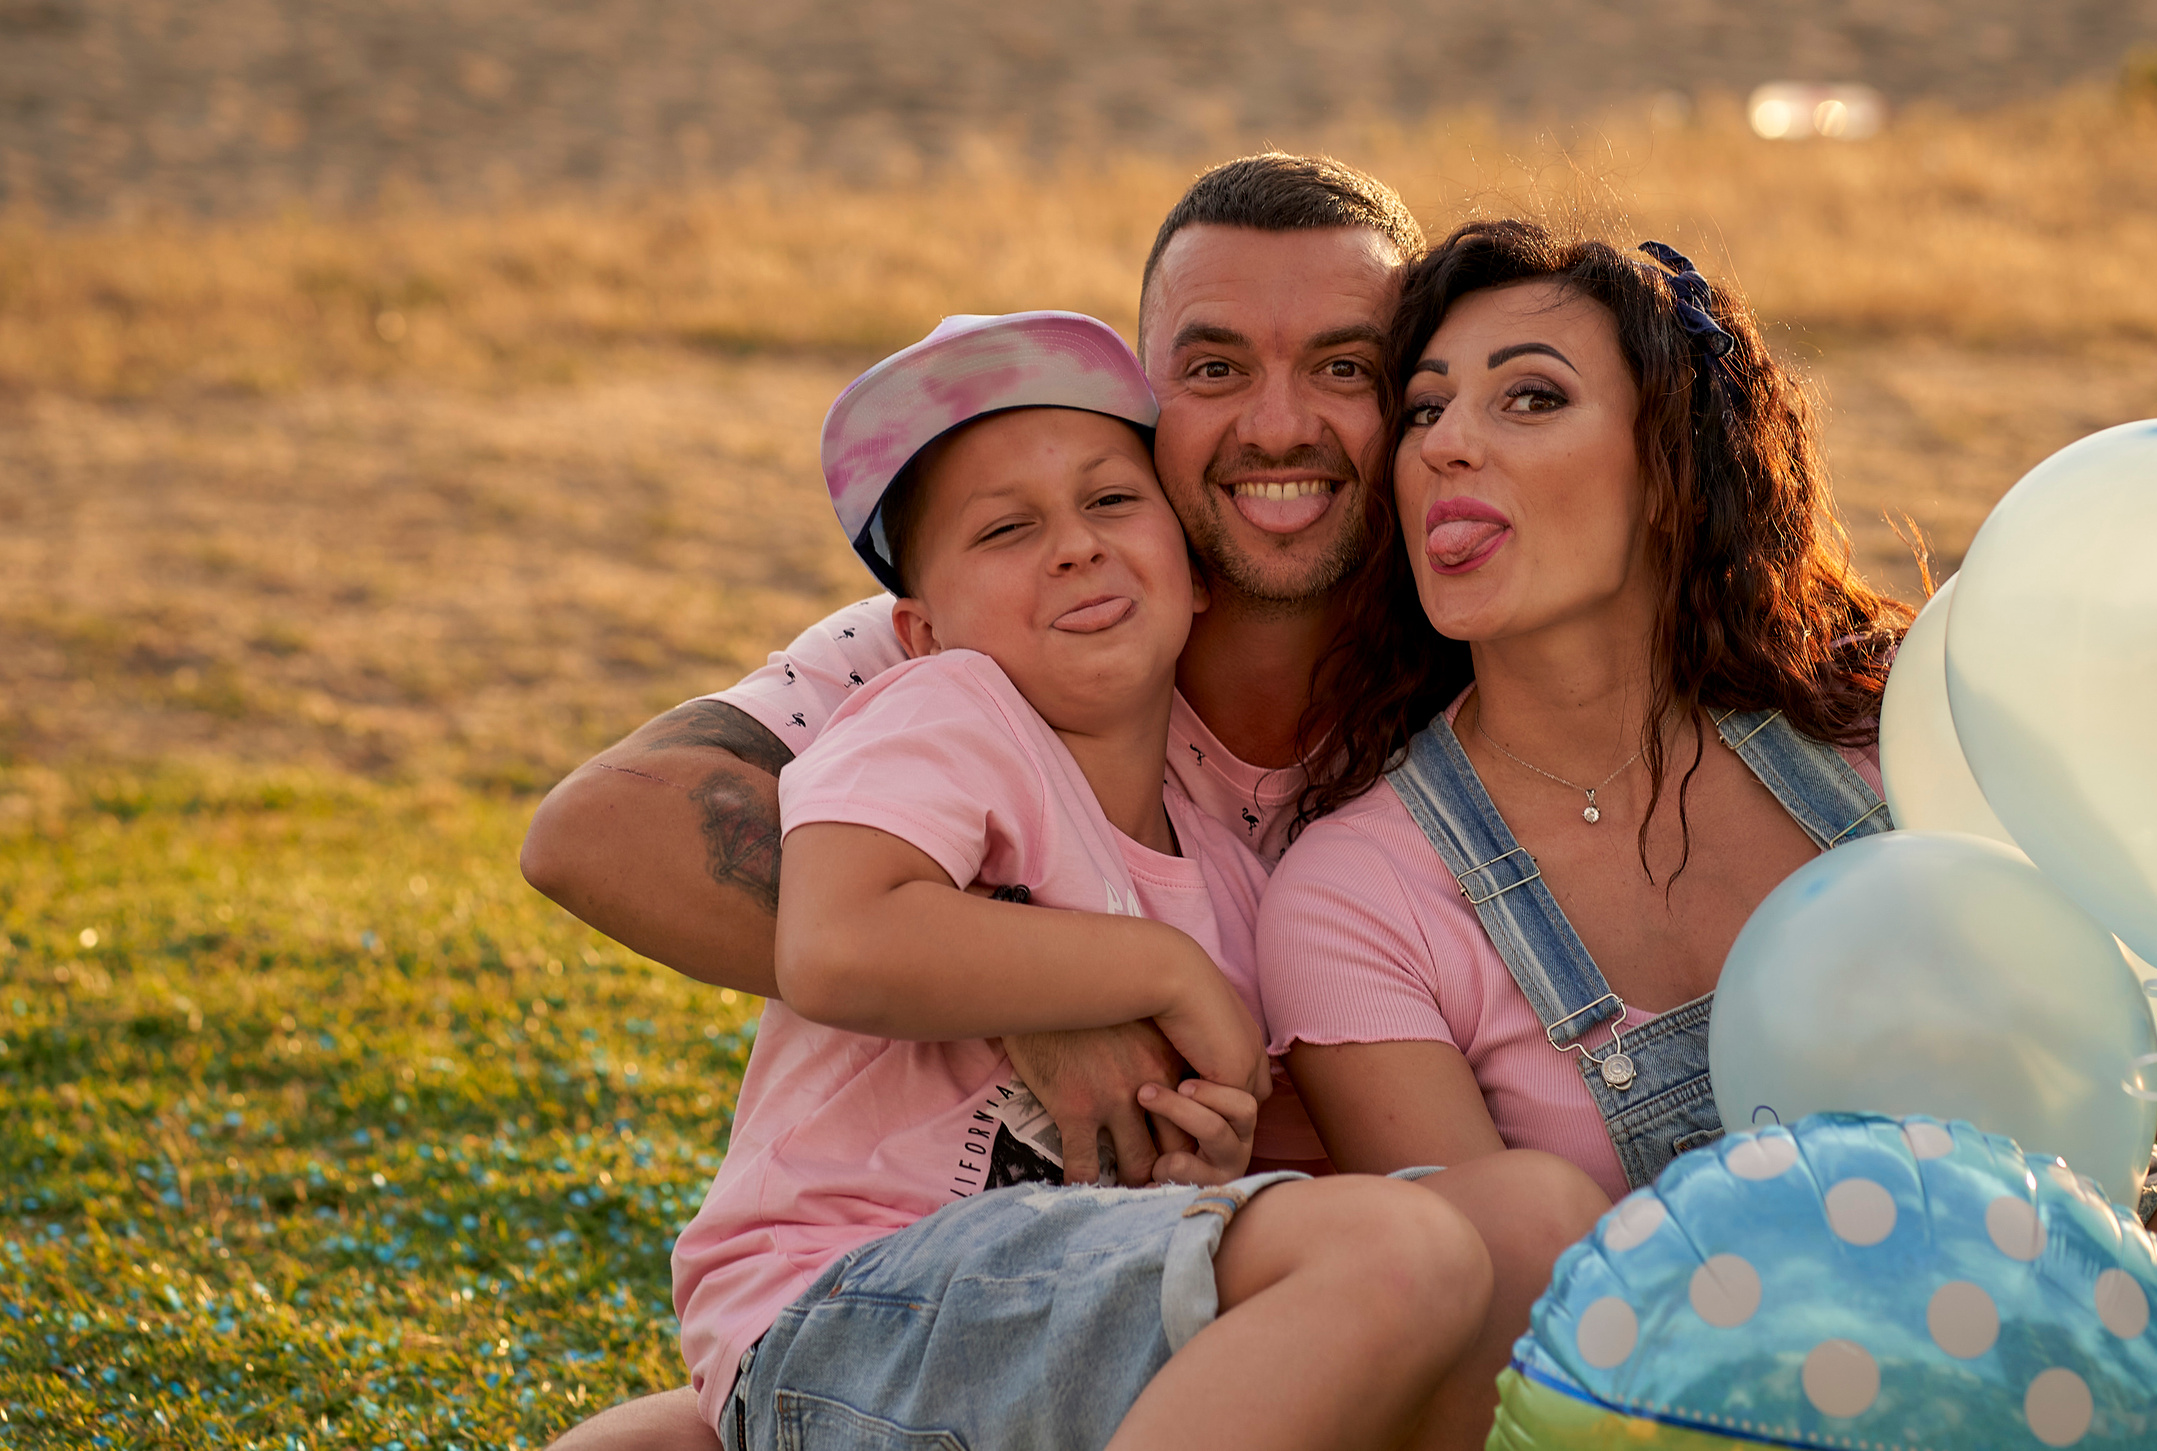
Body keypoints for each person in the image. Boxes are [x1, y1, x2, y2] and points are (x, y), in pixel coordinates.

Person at [1254, 218, 2157, 1451]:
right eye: (1423, 409)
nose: (1444, 446)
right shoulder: (1360, 892)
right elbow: (1506, 1364)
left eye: (1527, 396)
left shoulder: (1884, 734)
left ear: (1669, 467)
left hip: (2126, 1374)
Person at [528, 157, 1601, 1451]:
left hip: (1080, 1289)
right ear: (1160, 408)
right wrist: (1049, 981)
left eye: (1343, 367)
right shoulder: (952, 677)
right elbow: (606, 832)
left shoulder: (1468, 668)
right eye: (1212, 370)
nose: (1275, 423)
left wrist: (1195, 1137)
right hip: (878, 1295)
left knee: (1488, 1230)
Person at [676, 308, 1500, 1451]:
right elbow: (834, 942)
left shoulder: (1227, 877)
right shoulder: (946, 716)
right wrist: (1156, 970)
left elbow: (1146, 1202)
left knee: (1463, 1250)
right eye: (1006, 529)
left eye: (1113, 502)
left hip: (1034, 1332)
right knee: (1400, 1250)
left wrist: (1195, 1160)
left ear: (1194, 573)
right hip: (844, 1304)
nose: (1074, 545)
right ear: (920, 631)